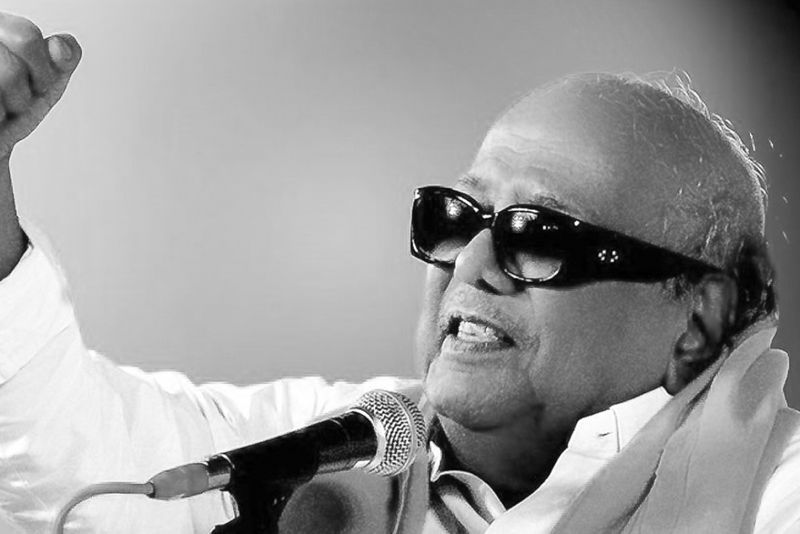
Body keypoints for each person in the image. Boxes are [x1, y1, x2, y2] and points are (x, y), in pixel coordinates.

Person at [0, 11, 798, 534]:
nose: (471, 265)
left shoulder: (777, 496)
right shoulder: (337, 446)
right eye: (457, 218)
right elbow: (63, 446)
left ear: (695, 322)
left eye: (540, 235)